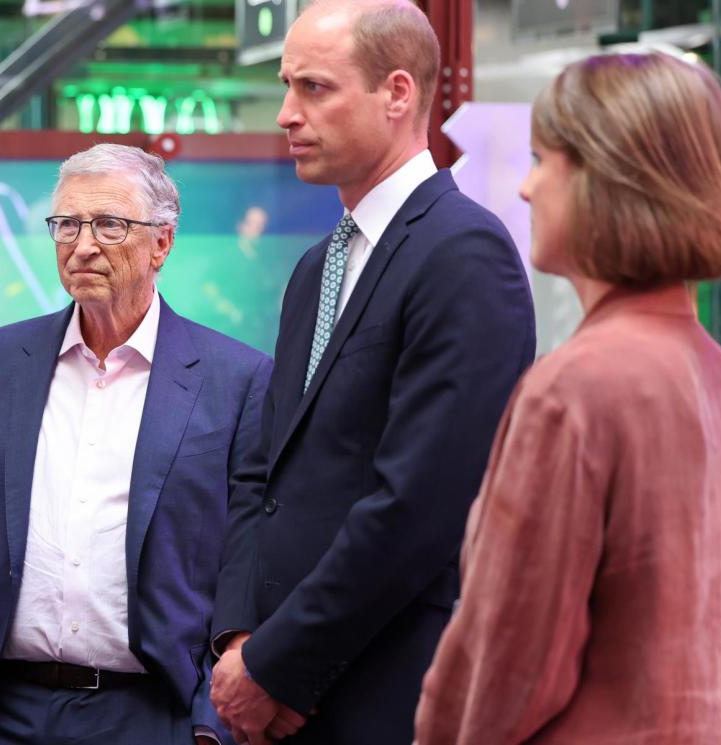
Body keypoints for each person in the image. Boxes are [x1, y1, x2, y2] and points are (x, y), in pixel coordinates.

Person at [208, 1, 536, 743]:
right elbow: (263, 476)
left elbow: (420, 504)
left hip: (386, 695)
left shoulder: (463, 255)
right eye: (287, 86)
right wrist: (237, 641)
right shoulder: (314, 267)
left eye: (315, 88)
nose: (287, 114)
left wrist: (280, 665)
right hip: (275, 692)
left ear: (397, 93)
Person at [414, 51, 721, 745]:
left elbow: (508, 661)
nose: (529, 187)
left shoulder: (575, 388)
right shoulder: (718, 375)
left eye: (545, 158)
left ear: (608, 180)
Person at [0, 143, 272, 745]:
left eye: (109, 224)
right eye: (67, 223)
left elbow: (247, 561)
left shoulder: (237, 380)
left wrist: (209, 718)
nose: (83, 244)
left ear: (162, 243)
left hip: (153, 714)